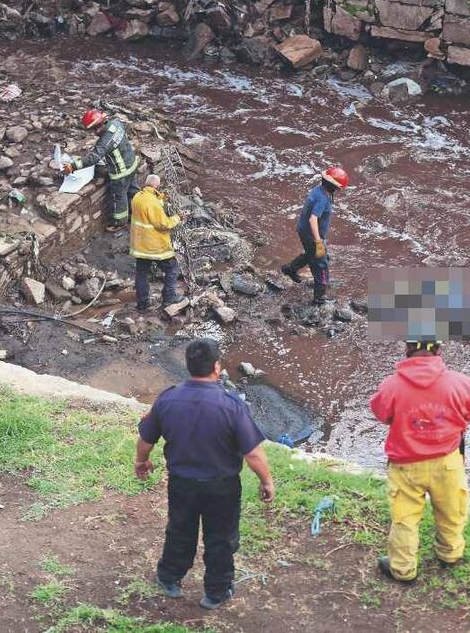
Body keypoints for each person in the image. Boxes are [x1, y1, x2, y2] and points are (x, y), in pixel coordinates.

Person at [135, 338, 276, 610]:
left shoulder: (168, 397)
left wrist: (141, 461)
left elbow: (146, 438)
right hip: (221, 487)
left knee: (179, 530)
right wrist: (266, 481)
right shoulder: (231, 405)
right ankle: (217, 591)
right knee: (220, 538)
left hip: (182, 483)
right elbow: (254, 453)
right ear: (216, 366)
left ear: (188, 366)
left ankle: (168, 577)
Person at [370, 339, 470, 583]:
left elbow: (381, 413)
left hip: (406, 464)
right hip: (448, 462)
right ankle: (450, 554)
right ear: (439, 350)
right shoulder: (460, 383)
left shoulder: (391, 386)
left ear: (408, 349)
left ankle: (402, 569)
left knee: (405, 519)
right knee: (452, 510)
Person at [280, 166, 349, 305]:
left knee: (310, 254)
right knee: (321, 264)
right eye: (338, 188)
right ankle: (319, 298)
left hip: (304, 231)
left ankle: (289, 269)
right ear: (333, 187)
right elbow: (313, 219)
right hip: (312, 236)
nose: (339, 190)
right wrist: (318, 241)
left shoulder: (318, 190)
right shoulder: (323, 199)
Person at [64, 109, 140, 232]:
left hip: (121, 172)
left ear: (101, 124)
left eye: (96, 129)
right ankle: (143, 210)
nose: (95, 133)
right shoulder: (116, 123)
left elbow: (93, 157)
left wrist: (73, 166)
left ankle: (120, 222)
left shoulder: (105, 141)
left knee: (119, 197)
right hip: (131, 163)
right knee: (133, 191)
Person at [130, 174, 184, 311]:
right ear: (156, 186)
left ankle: (142, 303)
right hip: (155, 246)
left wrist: (162, 196)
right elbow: (163, 224)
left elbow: (151, 206)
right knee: (172, 268)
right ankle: (169, 296)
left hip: (139, 245)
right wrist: (178, 217)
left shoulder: (137, 197)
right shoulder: (152, 203)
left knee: (142, 273)